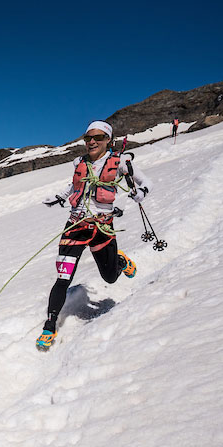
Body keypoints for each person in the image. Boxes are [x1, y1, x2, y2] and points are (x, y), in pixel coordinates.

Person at [37, 121, 149, 351]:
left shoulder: (121, 162)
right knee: (63, 277)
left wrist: (141, 193)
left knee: (110, 278)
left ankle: (120, 261)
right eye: (88, 138)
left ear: (108, 139)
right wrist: (59, 197)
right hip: (75, 226)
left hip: (102, 227)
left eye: (98, 137)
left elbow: (146, 182)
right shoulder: (79, 162)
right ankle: (50, 326)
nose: (92, 142)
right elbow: (75, 186)